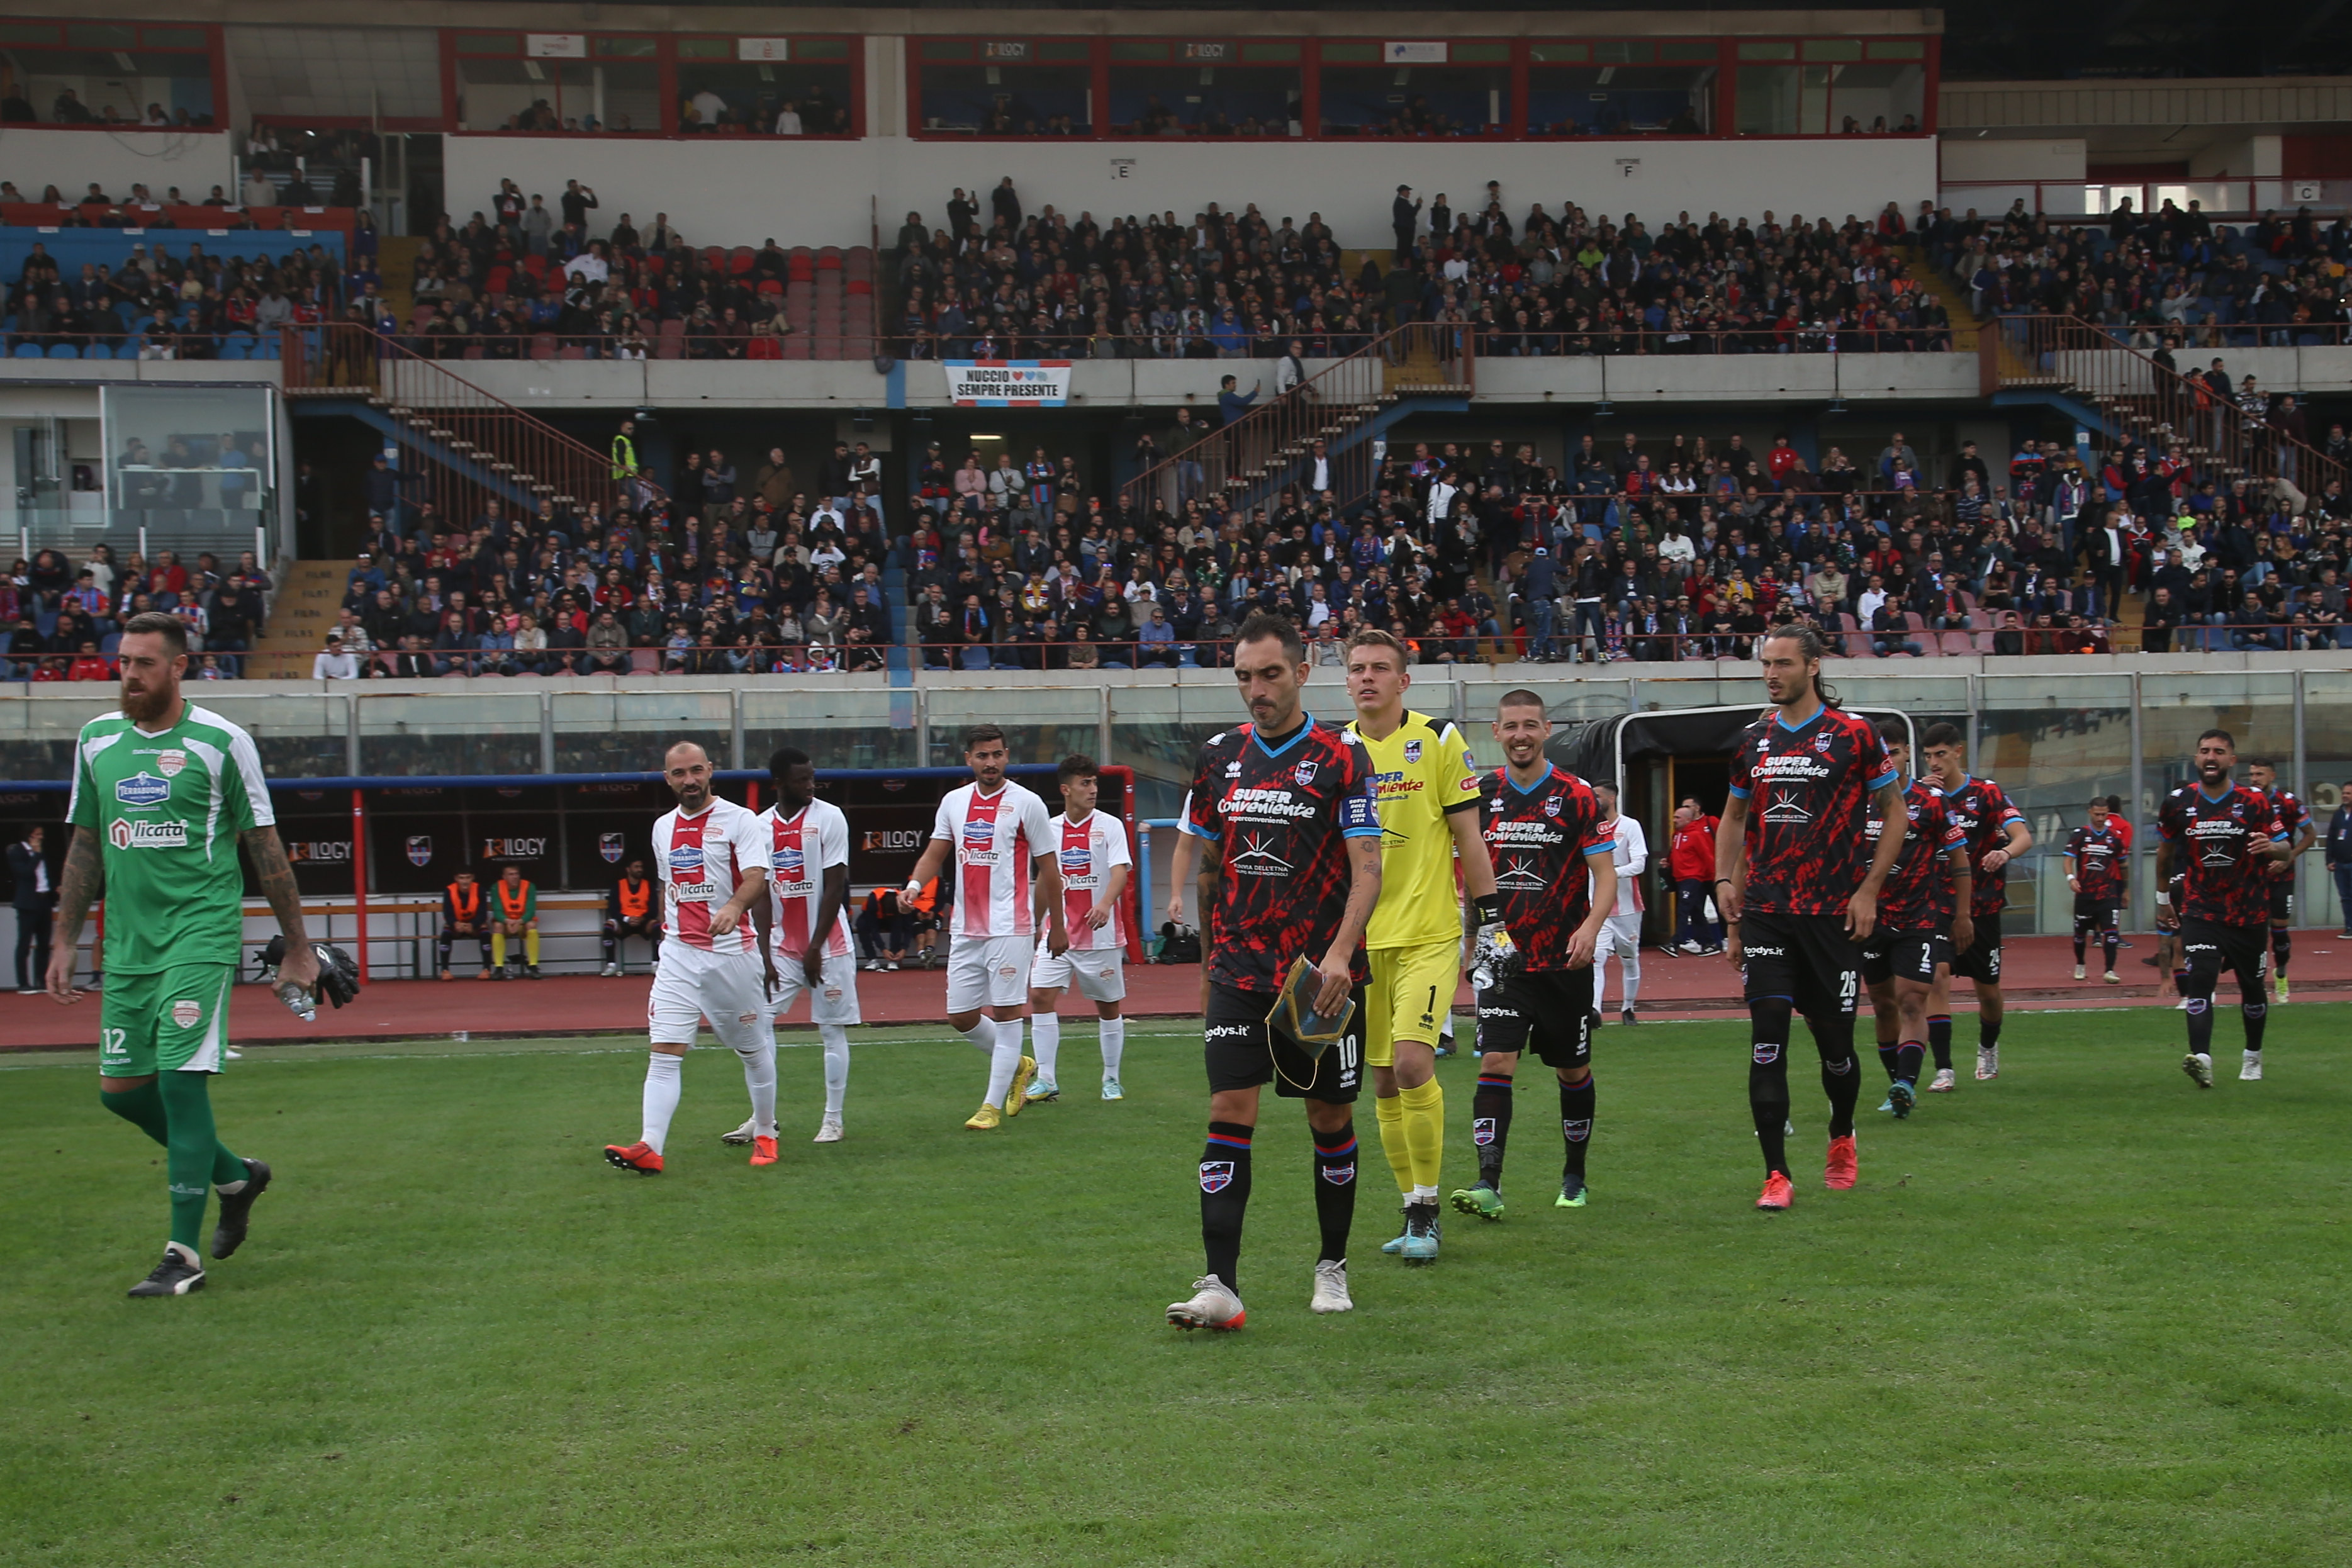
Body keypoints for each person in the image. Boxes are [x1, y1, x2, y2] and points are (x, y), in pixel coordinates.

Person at [47, 611, 320, 1297]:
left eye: (144, 663)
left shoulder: (221, 742)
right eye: (124, 662)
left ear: (178, 667)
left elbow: (265, 847)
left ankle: (181, 1255)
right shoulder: (96, 739)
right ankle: (236, 1174)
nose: (129, 675)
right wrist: (63, 935)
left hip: (198, 934)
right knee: (121, 1092)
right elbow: (84, 843)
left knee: (178, 1078)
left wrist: (299, 948)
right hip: (129, 942)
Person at [1166, 611, 1382, 1330]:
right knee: (1228, 1114)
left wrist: (1342, 957)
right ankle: (1221, 1284)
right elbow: (1203, 857)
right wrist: (1197, 948)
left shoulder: (1343, 757)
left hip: (1315, 978)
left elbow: (1368, 868)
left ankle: (1332, 1264)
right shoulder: (1218, 755)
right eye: (1244, 677)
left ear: (1303, 668)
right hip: (1236, 969)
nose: (1256, 689)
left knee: (1329, 1118)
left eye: (1269, 674)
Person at [1715, 625, 1907, 1212]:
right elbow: (1733, 819)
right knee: (1767, 1040)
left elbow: (1895, 814)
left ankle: (1842, 1135)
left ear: (1814, 666)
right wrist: (1726, 886)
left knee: (1835, 1049)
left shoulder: (1855, 735)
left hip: (1833, 917)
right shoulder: (1753, 740)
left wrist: (1870, 889)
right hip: (1770, 914)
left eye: (1783, 664)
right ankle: (1776, 1174)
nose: (1772, 674)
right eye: (1765, 664)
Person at [1341, 627, 1503, 1267]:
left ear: (1403, 680)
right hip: (1362, 941)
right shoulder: (1336, 749)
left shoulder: (1437, 739)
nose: (1368, 677)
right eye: (1357, 668)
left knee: (1412, 1063)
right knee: (1381, 1080)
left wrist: (1490, 925)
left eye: (1381, 667)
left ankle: (1429, 1210)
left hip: (1429, 934)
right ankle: (1412, 1205)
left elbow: (1470, 837)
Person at [1448, 690, 1616, 1221]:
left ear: (1546, 729)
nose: (1520, 734)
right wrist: (1471, 939)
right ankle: (1488, 1182)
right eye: (1510, 726)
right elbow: (1466, 871)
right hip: (1504, 960)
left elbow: (1605, 876)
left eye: (1530, 725)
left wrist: (1591, 927)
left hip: (1565, 963)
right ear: (1495, 733)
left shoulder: (1578, 795)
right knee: (1496, 1061)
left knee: (1572, 1071)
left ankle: (1575, 1175)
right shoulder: (1479, 793)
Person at [603, 743, 771, 1174]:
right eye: (680, 774)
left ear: (710, 771)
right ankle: (650, 1146)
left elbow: (757, 877)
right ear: (668, 779)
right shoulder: (663, 828)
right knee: (664, 1051)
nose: (690, 780)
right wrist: (667, 933)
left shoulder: (740, 820)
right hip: (678, 954)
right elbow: (667, 887)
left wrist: (734, 907)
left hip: (732, 956)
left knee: (751, 1050)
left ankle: (767, 1131)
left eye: (697, 771)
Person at [899, 725, 1067, 1131]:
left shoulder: (1027, 804)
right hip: (966, 929)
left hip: (1012, 927)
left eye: (996, 755)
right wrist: (914, 886)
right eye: (982, 756)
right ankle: (1021, 1064)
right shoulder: (954, 803)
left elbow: (1050, 869)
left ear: (1006, 756)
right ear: (969, 760)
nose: (990, 763)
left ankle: (990, 1108)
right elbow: (934, 853)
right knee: (960, 1015)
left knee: (1008, 1014)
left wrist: (1056, 926)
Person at [727, 746, 858, 1146]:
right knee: (755, 1024)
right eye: (802, 780)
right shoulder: (759, 826)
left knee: (831, 1031)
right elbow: (761, 894)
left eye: (812, 777)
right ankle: (763, 1118)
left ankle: (833, 1119)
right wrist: (764, 954)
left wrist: (816, 947)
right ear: (779, 783)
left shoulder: (829, 816)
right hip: (782, 949)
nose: (810, 785)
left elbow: (836, 884)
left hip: (828, 946)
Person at [2157, 731, 2290, 1086]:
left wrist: (2272, 847)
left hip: (2249, 912)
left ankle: (2253, 1056)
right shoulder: (2178, 802)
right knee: (2200, 980)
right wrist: (2162, 899)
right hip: (2201, 908)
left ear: (2232, 760)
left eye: (2219, 751)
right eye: (2204, 751)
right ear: (2196, 759)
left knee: (2252, 987)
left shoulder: (2255, 801)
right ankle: (2201, 1059)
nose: (2211, 756)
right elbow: (2165, 855)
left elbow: (2286, 848)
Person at [1859, 719, 1971, 1119]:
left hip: (1917, 917)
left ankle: (1906, 1083)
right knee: (1882, 1003)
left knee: (1911, 999)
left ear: (1906, 754)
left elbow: (1959, 861)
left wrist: (1962, 915)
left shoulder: (1932, 801)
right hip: (1869, 917)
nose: (1888, 760)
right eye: (1881, 753)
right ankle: (1897, 1083)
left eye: (1895, 752)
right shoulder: (1856, 801)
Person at [1920, 722, 2031, 1087]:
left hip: (1982, 908)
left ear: (1957, 752)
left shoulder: (1986, 793)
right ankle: (1944, 1067)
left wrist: (2003, 852)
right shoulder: (1923, 795)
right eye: (1928, 756)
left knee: (1989, 992)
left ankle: (1988, 1048)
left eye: (1940, 755)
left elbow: (2023, 836)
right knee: (1938, 977)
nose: (1934, 763)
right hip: (1938, 906)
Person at [1024, 754, 1133, 1103]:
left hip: (1100, 937)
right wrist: (1032, 924)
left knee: (1108, 1007)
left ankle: (1112, 1079)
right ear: (1066, 789)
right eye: (1085, 783)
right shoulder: (1050, 829)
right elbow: (1045, 879)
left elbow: (1120, 871)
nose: (1093, 789)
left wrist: (1104, 904)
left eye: (1095, 782)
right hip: (1058, 932)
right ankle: (1047, 1079)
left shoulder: (1110, 825)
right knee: (1040, 995)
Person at [2244, 759, 2312, 1001]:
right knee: (2256, 932)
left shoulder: (2289, 802)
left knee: (2280, 932)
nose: (2255, 779)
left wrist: (2288, 858)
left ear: (2272, 775)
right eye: (2252, 774)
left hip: (2283, 876)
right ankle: (2257, 982)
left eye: (2260, 774)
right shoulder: (2245, 801)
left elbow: (2310, 835)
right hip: (2255, 877)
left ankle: (2281, 974)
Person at [1590, 782, 1647, 1024]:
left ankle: (1628, 1008)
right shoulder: (1589, 827)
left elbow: (1639, 864)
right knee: (1597, 956)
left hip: (1627, 907)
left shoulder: (1630, 826)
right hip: (1596, 905)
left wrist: (1611, 873)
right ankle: (1594, 1011)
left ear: (1611, 799)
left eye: (1598, 796)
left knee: (1629, 957)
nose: (1593, 800)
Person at [2064, 800, 2129, 984]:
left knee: (2112, 933)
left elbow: (2123, 866)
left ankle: (2109, 970)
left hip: (2108, 894)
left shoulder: (2115, 837)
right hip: (2085, 894)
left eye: (2104, 815)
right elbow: (2068, 860)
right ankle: (2080, 964)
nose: (2100, 818)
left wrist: (2125, 889)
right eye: (2097, 814)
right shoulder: (2081, 835)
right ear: (2090, 813)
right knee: (2080, 935)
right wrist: (2071, 878)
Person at [1667, 800, 1722, 954]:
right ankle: (1708, 943)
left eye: (1678, 818)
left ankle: (1675, 943)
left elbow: (1707, 856)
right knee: (1695, 910)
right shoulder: (1677, 835)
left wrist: (1715, 877)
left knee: (1684, 909)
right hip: (1681, 878)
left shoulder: (1696, 835)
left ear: (1688, 819)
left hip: (1693, 877)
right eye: (1674, 817)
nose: (1674, 820)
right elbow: (1676, 854)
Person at [10, 822, 53, 994]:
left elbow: (48, 873)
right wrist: (35, 855)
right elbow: (25, 873)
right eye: (37, 834)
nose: (40, 837)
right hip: (27, 903)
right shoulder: (16, 851)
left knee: (44, 944)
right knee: (24, 943)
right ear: (29, 835)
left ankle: (41, 981)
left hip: (44, 900)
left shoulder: (44, 851)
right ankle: (23, 983)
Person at [601, 858, 661, 976]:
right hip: (624, 921)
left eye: (641, 867)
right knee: (608, 926)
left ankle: (656, 964)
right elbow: (613, 909)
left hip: (643, 920)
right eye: (636, 867)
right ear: (628, 869)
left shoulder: (649, 885)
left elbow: (654, 909)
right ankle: (611, 965)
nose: (639, 870)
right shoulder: (618, 886)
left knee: (657, 926)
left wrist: (642, 918)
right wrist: (627, 919)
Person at [437, 869, 494, 979]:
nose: (465, 881)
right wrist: (455, 923)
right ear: (456, 879)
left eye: (468, 877)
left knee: (485, 930)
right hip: (457, 925)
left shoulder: (479, 890)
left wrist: (473, 924)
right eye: (462, 878)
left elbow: (483, 913)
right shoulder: (449, 890)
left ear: (473, 878)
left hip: (474, 925)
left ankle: (486, 970)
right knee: (446, 930)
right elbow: (447, 913)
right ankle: (445, 971)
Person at [490, 863, 540, 978]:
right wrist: (507, 921)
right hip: (506, 924)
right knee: (497, 926)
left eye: (517, 874)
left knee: (532, 925)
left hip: (521, 923)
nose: (515, 877)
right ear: (504, 876)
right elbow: (497, 911)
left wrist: (519, 922)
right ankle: (499, 967)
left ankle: (533, 966)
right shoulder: (496, 887)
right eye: (511, 874)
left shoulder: (529, 886)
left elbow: (530, 911)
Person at [2328, 781, 2352, 939]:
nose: (2345, 796)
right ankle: (2350, 927)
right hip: (2340, 864)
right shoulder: (2338, 815)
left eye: (2348, 793)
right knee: (2345, 897)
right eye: (2344, 793)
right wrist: (2329, 859)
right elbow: (2331, 838)